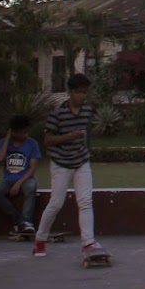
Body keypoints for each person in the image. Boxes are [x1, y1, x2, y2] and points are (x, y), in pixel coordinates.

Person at [32, 73, 102, 260]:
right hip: (61, 163)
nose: (82, 96)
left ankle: (88, 242)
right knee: (56, 203)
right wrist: (70, 136)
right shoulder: (58, 112)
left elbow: (86, 135)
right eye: (79, 92)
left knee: (85, 201)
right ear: (71, 92)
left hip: (81, 162)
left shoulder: (87, 111)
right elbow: (47, 140)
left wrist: (86, 150)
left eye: (85, 93)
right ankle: (40, 238)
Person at [0, 114, 41, 234]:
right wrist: (7, 138)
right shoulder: (3, 142)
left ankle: (27, 221)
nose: (26, 134)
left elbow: (32, 168)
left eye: (27, 131)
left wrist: (18, 184)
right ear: (14, 132)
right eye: (23, 132)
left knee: (31, 188)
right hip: (8, 178)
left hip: (26, 178)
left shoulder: (32, 143)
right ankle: (18, 221)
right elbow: (0, 159)